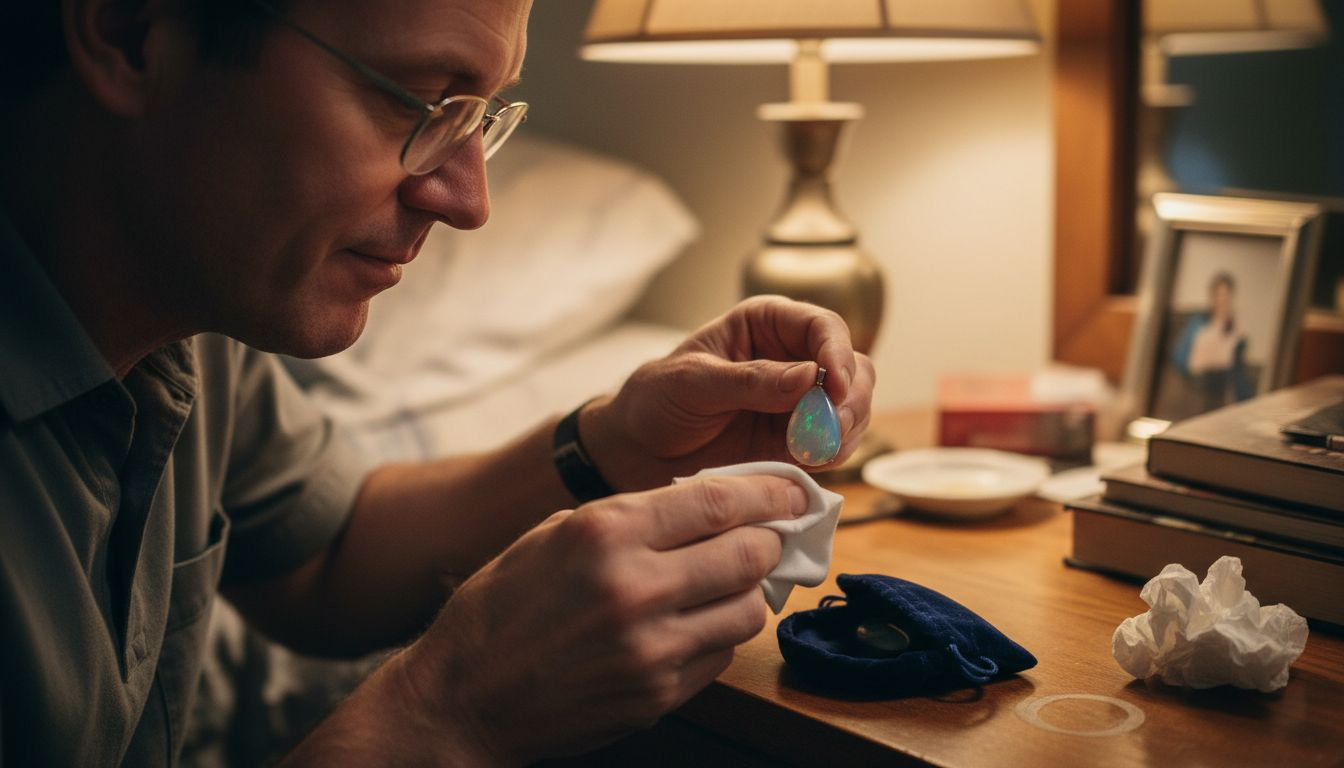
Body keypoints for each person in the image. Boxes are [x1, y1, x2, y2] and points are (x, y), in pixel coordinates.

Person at [0, 0, 876, 765]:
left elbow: (331, 558)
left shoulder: (190, 317)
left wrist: (614, 440)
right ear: (132, 33)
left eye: (481, 116)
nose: (467, 199)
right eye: (416, 102)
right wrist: (442, 715)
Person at [1170, 271, 1253, 414]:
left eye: (1226, 295)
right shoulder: (1198, 323)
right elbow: (1181, 358)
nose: (1222, 300)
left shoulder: (1235, 327)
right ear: (1212, 296)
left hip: (1222, 391)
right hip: (1197, 387)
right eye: (1219, 295)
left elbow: (1238, 372)